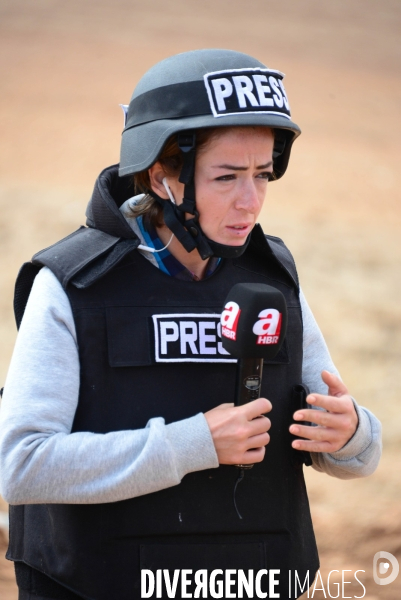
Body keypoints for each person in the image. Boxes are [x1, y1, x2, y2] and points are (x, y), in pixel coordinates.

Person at [0, 49, 381, 600]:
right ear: (162, 177)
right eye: (226, 177)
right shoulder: (71, 286)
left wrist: (349, 435)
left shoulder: (271, 278)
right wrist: (194, 443)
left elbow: (356, 452)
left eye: (262, 175)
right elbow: (21, 465)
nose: (250, 202)